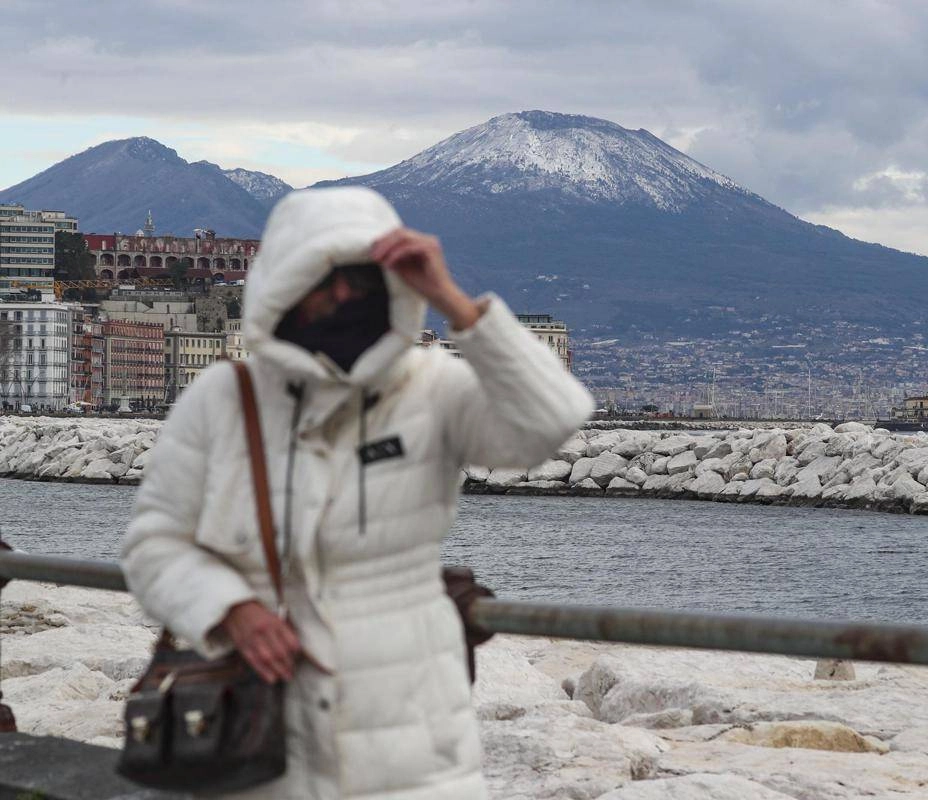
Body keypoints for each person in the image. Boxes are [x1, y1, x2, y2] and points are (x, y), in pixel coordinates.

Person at [122, 186, 594, 799]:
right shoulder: (222, 399)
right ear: (283, 285)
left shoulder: (434, 388)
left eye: (365, 282)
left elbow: (550, 421)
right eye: (326, 280)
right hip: (257, 752)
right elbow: (154, 543)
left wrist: (452, 301)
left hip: (414, 756)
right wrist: (229, 609)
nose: (344, 298)